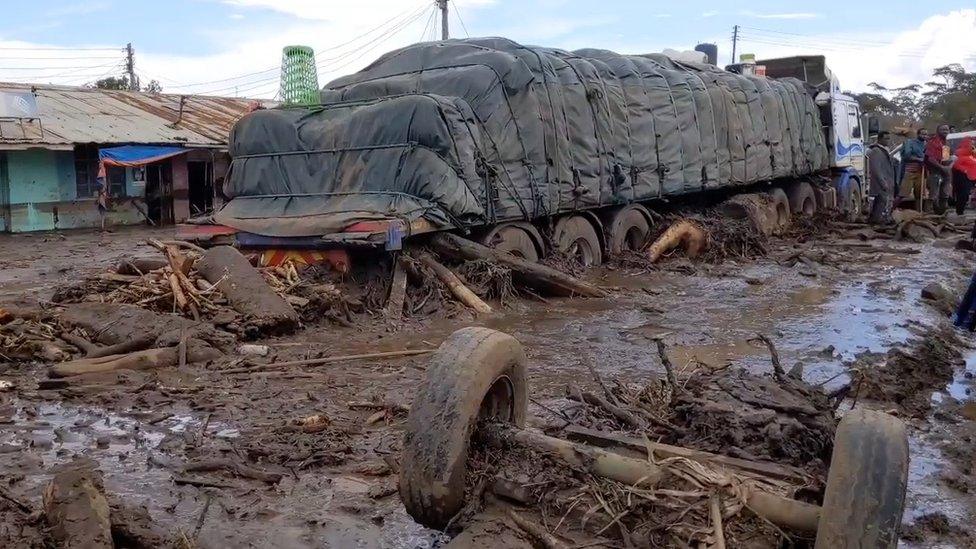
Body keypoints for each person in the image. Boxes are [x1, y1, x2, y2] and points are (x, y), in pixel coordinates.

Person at [867, 131, 896, 223]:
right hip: (881, 181)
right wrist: (882, 181)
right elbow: (875, 168)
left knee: (882, 201)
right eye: (885, 138)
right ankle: (877, 220)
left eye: (889, 138)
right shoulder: (876, 151)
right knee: (881, 201)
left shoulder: (884, 149)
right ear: (879, 139)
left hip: (886, 180)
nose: (887, 140)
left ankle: (877, 219)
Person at [924, 124, 953, 213]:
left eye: (947, 130)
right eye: (943, 130)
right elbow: (930, 159)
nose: (945, 131)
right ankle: (929, 213)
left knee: (945, 194)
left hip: (945, 171)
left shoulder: (946, 143)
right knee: (933, 195)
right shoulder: (932, 142)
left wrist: (948, 167)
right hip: (935, 171)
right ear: (938, 131)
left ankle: (942, 213)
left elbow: (945, 158)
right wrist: (942, 167)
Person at [898, 128, 927, 210]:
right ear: (918, 134)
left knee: (919, 195)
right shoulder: (910, 143)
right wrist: (919, 159)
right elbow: (907, 156)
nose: (924, 136)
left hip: (921, 171)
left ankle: (918, 212)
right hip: (909, 171)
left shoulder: (926, 144)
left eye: (926, 134)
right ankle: (890, 210)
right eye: (922, 134)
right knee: (902, 194)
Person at [952, 137, 976, 215]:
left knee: (965, 194)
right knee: (963, 194)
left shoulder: (973, 153)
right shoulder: (959, 153)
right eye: (971, 143)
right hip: (962, 177)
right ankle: (960, 211)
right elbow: (956, 165)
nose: (973, 144)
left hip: (972, 176)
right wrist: (965, 170)